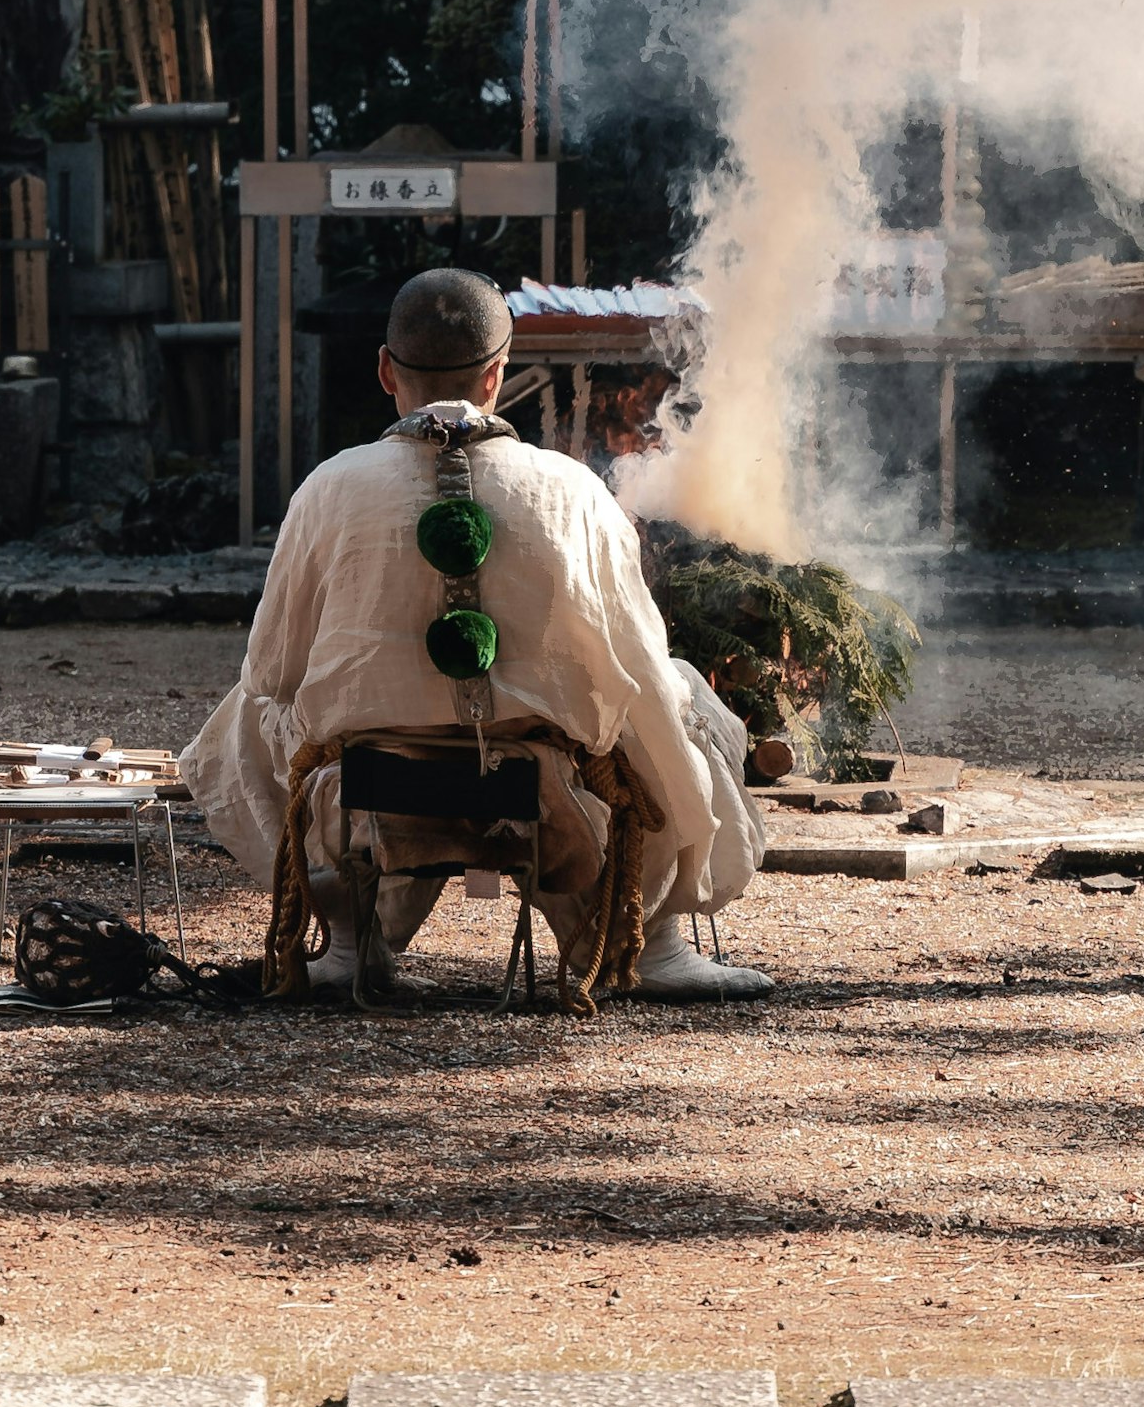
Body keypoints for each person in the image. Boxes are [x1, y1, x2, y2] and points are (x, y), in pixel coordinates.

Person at [185, 266, 772, 1005]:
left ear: (383, 371)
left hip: (368, 785)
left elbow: (271, 669)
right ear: (499, 373)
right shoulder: (572, 490)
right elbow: (637, 659)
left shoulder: (328, 486)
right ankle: (645, 942)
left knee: (242, 713)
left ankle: (346, 941)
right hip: (548, 788)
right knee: (672, 687)